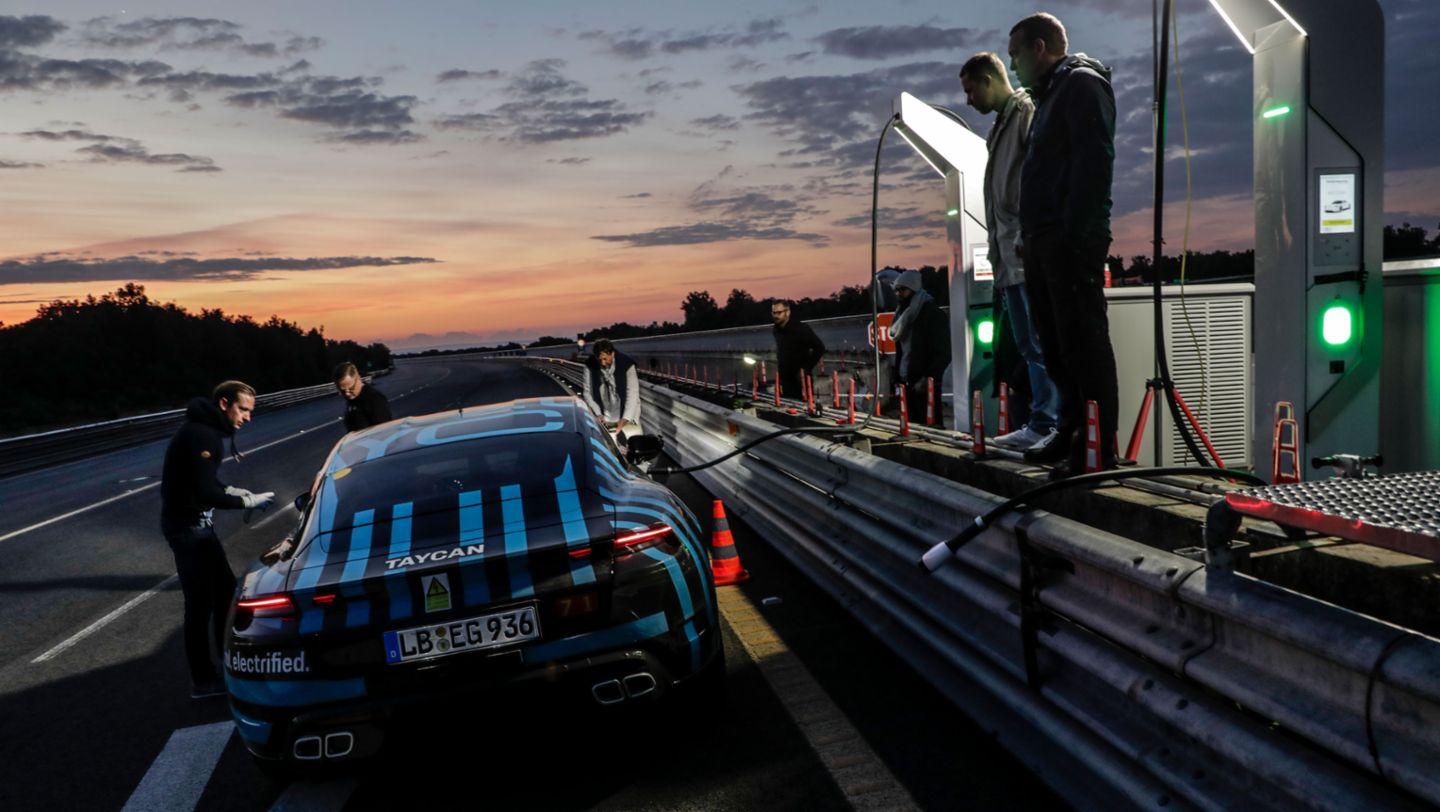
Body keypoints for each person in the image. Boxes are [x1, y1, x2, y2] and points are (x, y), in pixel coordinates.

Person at [1009, 12, 1120, 478]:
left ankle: (1096, 445)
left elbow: (1092, 168)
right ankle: (1070, 429)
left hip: (1067, 243)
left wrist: (1074, 239)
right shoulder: (1049, 96)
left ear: (1039, 47)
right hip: (1043, 243)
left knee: (1082, 343)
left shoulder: (1081, 86)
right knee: (1055, 345)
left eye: (1015, 54)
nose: (1013, 66)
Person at [959, 50, 1060, 453]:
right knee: (1028, 343)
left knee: (1039, 341)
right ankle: (1042, 420)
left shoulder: (1025, 112)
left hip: (1024, 247)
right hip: (1010, 252)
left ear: (988, 79)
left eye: (970, 90)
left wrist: (1027, 232)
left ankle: (1048, 422)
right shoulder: (1002, 124)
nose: (968, 100)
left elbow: (1039, 173)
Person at [159, 380, 274, 699]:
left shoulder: (203, 429)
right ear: (224, 404)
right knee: (199, 604)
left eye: (252, 410)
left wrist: (231, 490)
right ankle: (204, 679)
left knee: (224, 591)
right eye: (243, 409)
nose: (248, 417)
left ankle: (228, 663)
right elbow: (203, 491)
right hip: (188, 529)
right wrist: (244, 501)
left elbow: (205, 481)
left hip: (196, 527)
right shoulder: (203, 435)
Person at [889, 270, 950, 418]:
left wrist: (928, 378)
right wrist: (897, 378)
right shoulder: (903, 318)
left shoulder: (933, 315)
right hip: (907, 383)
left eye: (903, 289)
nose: (898, 294)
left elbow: (944, 352)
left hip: (925, 385)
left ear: (914, 289)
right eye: (896, 290)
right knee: (911, 427)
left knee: (930, 427)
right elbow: (902, 351)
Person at [582, 339, 642, 442]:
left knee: (634, 444)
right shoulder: (589, 365)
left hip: (628, 416)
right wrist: (598, 413)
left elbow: (632, 394)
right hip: (605, 417)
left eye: (605, 359)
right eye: (599, 360)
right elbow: (587, 392)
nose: (603, 363)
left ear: (612, 353)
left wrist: (625, 419)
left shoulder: (627, 364)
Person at [771, 301, 826, 400]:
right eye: (773, 313)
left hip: (800, 380)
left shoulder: (801, 328)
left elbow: (820, 347)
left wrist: (806, 368)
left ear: (787, 312)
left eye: (779, 312)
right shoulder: (776, 330)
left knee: (803, 409)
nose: (775, 315)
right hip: (785, 380)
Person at [334, 362, 392, 432]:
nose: (347, 393)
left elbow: (385, 430)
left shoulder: (374, 399)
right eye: (342, 391)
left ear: (358, 378)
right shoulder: (352, 400)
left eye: (351, 388)